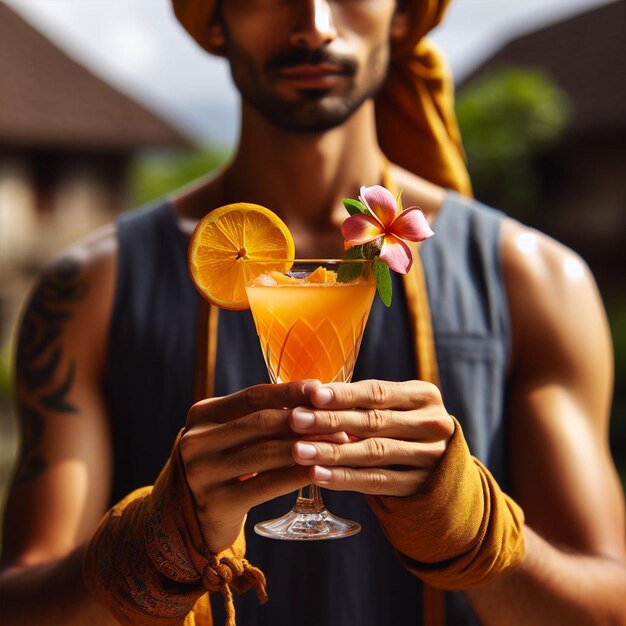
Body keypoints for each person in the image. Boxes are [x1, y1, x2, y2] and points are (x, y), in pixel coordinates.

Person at [1, 0, 625, 624]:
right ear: (215, 19)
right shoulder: (89, 287)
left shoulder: (537, 279)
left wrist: (475, 536)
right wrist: (151, 552)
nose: (315, 24)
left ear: (403, 15)